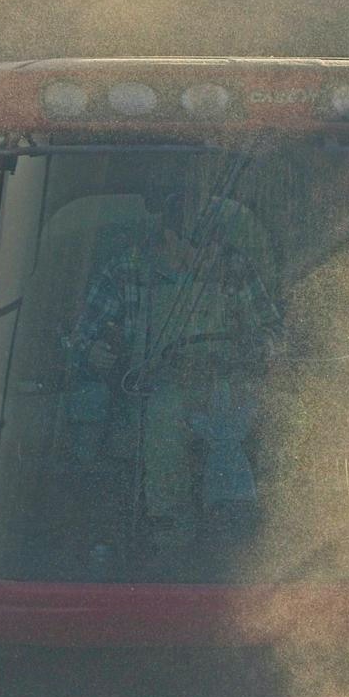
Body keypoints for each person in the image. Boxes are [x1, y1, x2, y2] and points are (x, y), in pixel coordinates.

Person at [65, 184, 281, 547]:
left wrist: (260, 350)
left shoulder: (233, 268)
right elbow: (80, 340)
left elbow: (273, 331)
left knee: (272, 418)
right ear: (169, 236)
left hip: (227, 389)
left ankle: (249, 535)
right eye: (199, 246)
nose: (209, 255)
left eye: (215, 245)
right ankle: (169, 529)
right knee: (165, 416)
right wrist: (93, 352)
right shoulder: (126, 271)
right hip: (153, 395)